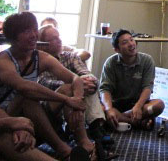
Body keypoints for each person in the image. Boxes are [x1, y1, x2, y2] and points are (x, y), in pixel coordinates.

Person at [0, 12, 91, 160]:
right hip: (6, 114)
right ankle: (64, 150)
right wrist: (66, 100)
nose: (33, 35)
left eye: (34, 29)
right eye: (26, 31)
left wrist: (77, 101)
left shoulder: (41, 57)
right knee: (27, 97)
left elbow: (75, 79)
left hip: (33, 115)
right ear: (13, 38)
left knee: (68, 88)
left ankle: (85, 143)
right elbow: (24, 87)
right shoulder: (3, 60)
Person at [38, 25, 115, 155]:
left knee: (85, 80)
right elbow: (44, 83)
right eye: (54, 39)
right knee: (71, 87)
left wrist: (85, 84)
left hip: (74, 100)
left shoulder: (70, 56)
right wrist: (77, 86)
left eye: (59, 37)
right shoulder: (39, 60)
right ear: (43, 44)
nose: (59, 40)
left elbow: (89, 76)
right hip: (50, 103)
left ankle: (92, 127)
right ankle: (94, 129)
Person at [99, 29, 164, 131]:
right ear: (117, 49)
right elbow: (105, 89)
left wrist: (138, 106)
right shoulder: (110, 62)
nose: (131, 44)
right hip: (116, 104)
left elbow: (147, 87)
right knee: (101, 109)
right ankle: (137, 122)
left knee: (158, 105)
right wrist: (109, 109)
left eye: (131, 40)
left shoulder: (147, 60)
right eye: (125, 42)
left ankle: (120, 118)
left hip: (139, 104)